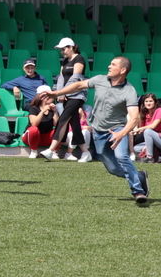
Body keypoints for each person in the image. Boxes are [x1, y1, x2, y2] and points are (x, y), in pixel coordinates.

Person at [50, 56, 149, 204]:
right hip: (98, 132)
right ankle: (140, 176)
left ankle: (138, 191)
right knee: (113, 169)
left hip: (117, 129)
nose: (109, 66)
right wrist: (56, 93)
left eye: (113, 64)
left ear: (122, 70)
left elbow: (134, 118)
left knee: (122, 157)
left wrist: (121, 134)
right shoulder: (100, 80)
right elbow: (78, 85)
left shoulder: (129, 91)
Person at [40, 38, 90, 161]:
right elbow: (61, 77)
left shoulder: (79, 59)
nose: (62, 51)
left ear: (71, 47)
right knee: (75, 124)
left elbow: (75, 79)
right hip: (66, 95)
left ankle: (51, 150)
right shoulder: (65, 60)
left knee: (63, 119)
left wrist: (62, 92)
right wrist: (58, 93)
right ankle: (86, 152)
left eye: (63, 49)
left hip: (77, 95)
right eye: (61, 49)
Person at [22, 85, 59, 159]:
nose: (52, 98)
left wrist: (55, 111)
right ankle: (33, 151)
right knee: (33, 129)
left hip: (45, 137)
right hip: (31, 138)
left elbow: (56, 124)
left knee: (59, 130)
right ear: (42, 97)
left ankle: (54, 151)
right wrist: (43, 111)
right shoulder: (33, 108)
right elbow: (34, 124)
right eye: (49, 96)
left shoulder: (53, 109)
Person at [132, 93, 161, 163]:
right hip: (155, 142)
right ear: (143, 103)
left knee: (148, 131)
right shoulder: (145, 114)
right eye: (146, 101)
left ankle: (150, 157)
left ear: (155, 102)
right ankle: (158, 156)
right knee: (136, 148)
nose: (148, 103)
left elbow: (153, 126)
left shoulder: (159, 110)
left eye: (151, 101)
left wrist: (139, 129)